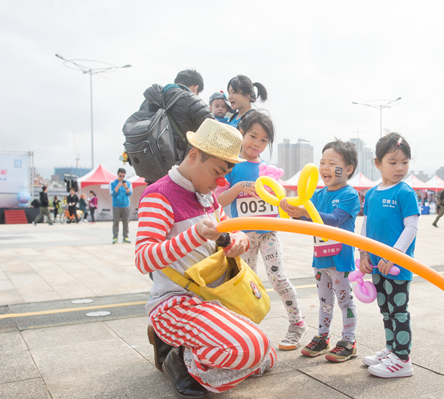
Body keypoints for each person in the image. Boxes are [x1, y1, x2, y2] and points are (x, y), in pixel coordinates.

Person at [136, 119, 275, 396]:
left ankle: (185, 349)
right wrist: (194, 236)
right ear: (194, 155)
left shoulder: (207, 196)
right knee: (253, 349)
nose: (220, 183)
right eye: (217, 172)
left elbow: (235, 233)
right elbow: (143, 259)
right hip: (175, 303)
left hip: (211, 297)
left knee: (265, 355)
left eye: (226, 174)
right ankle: (183, 362)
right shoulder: (159, 196)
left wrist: (238, 241)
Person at [216, 111, 306, 350]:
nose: (257, 143)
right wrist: (240, 187)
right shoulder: (231, 166)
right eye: (253, 136)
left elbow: (280, 201)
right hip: (243, 237)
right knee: (246, 283)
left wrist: (285, 203)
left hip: (268, 233)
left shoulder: (269, 170)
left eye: (264, 140)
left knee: (278, 278)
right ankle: (248, 331)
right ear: (242, 134)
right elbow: (220, 201)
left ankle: (297, 323)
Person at [281, 139, 360, 362]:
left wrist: (304, 213)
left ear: (348, 169)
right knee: (324, 301)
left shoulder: (349, 195)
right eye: (322, 162)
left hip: (340, 259)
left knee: (345, 301)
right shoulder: (318, 194)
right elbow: (304, 218)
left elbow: (334, 220)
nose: (325, 168)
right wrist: (290, 209)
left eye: (332, 163)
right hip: (320, 258)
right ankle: (323, 337)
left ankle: (348, 340)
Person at [359, 132, 419, 378]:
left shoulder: (405, 192)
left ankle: (403, 358)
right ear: (378, 163)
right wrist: (363, 253)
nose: (399, 168)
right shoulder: (373, 194)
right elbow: (366, 225)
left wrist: (394, 256)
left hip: (396, 266)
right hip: (376, 265)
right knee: (386, 310)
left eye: (404, 162)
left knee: (399, 310)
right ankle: (391, 349)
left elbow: (411, 227)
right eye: (392, 162)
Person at [109, 168, 132, 244]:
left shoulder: (128, 183)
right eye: (120, 175)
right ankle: (115, 237)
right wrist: (118, 186)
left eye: (123, 176)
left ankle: (125, 237)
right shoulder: (112, 183)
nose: (122, 177)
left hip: (126, 205)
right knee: (116, 222)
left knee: (126, 222)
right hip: (116, 205)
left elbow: (130, 193)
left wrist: (126, 187)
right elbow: (112, 193)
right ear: (117, 174)